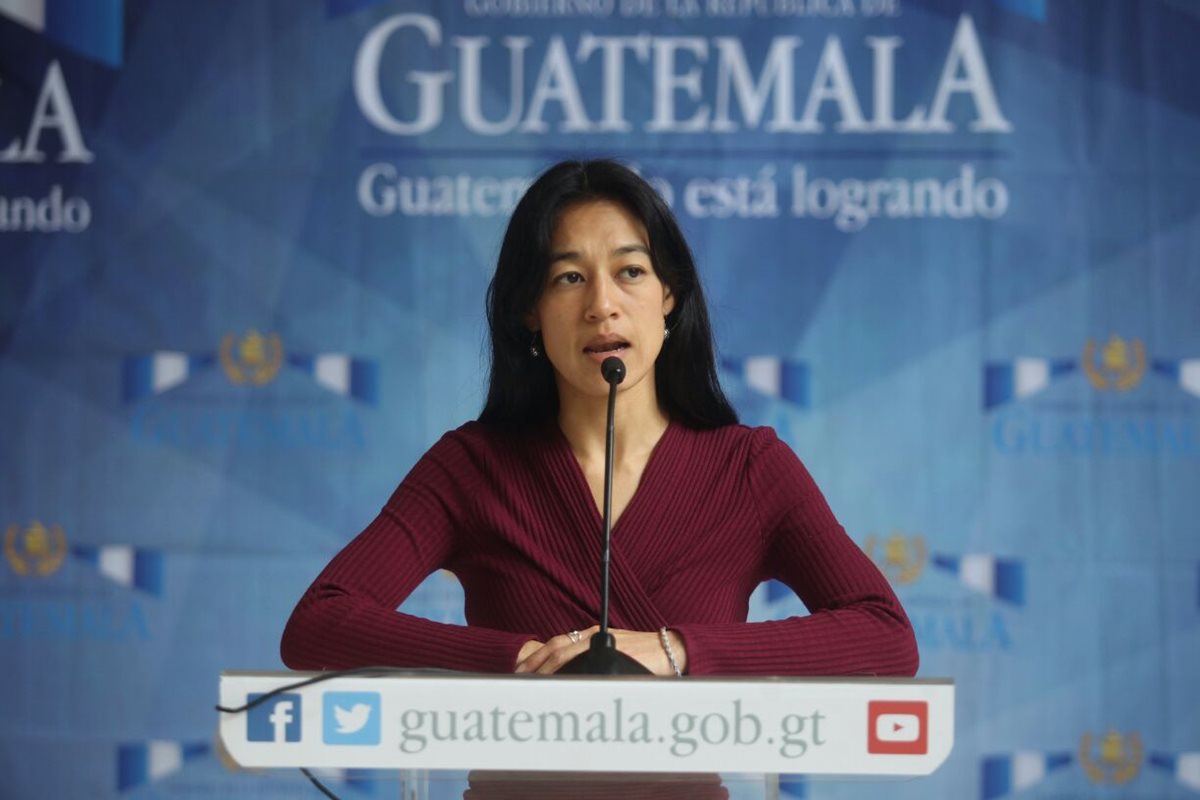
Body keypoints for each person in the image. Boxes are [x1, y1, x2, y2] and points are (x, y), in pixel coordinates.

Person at [280, 159, 918, 679]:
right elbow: (318, 622)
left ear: (669, 297)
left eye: (630, 272)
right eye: (567, 278)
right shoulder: (471, 467)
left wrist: (678, 650)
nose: (602, 306)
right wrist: (518, 659)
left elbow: (887, 637)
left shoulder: (749, 469)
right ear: (530, 310)